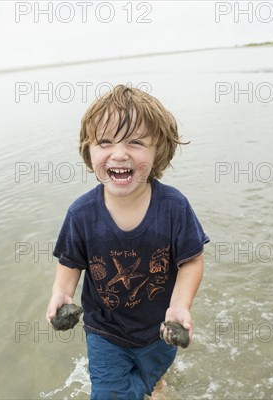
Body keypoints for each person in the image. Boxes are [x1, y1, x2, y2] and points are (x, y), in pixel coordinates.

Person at [45, 85, 209, 399]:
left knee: (150, 378)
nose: (119, 153)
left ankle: (154, 383)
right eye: (105, 142)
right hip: (105, 331)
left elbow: (191, 259)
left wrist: (179, 305)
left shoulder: (174, 208)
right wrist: (61, 293)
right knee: (111, 393)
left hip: (158, 329)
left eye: (135, 142)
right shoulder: (81, 215)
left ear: (158, 149)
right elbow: (69, 261)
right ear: (88, 150)